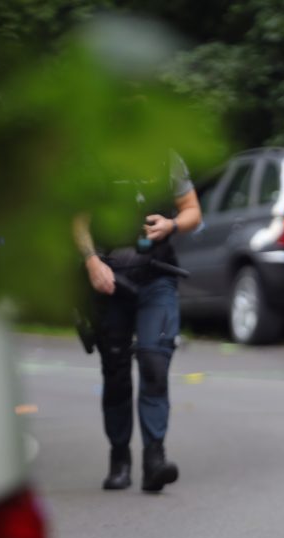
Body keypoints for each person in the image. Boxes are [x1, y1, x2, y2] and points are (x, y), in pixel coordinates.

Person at [73, 150, 201, 492]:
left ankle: (154, 460)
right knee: (114, 368)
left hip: (156, 276)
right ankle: (119, 460)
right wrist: (91, 262)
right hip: (110, 278)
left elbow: (192, 211)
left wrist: (171, 224)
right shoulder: (96, 154)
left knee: (153, 360)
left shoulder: (166, 158)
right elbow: (79, 218)